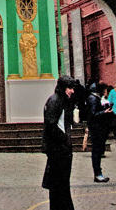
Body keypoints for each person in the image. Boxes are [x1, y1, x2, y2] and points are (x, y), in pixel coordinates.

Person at [42, 76, 77, 210]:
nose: (71, 91)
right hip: (58, 149)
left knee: (62, 183)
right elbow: (51, 125)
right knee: (58, 183)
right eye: (69, 88)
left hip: (62, 148)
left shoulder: (62, 100)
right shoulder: (55, 101)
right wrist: (63, 139)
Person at [86, 82, 110, 182]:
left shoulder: (94, 98)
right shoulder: (93, 99)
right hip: (96, 128)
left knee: (98, 149)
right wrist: (104, 112)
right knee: (96, 150)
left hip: (98, 127)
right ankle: (97, 173)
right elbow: (93, 114)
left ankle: (98, 172)